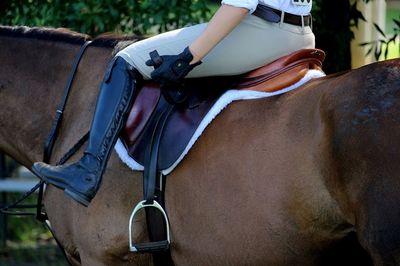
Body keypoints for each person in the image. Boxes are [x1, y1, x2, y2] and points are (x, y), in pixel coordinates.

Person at [32, 0, 315, 207]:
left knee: (126, 60)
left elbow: (240, 5)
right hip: (300, 32)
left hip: (260, 31)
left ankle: (88, 170)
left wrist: (187, 57)